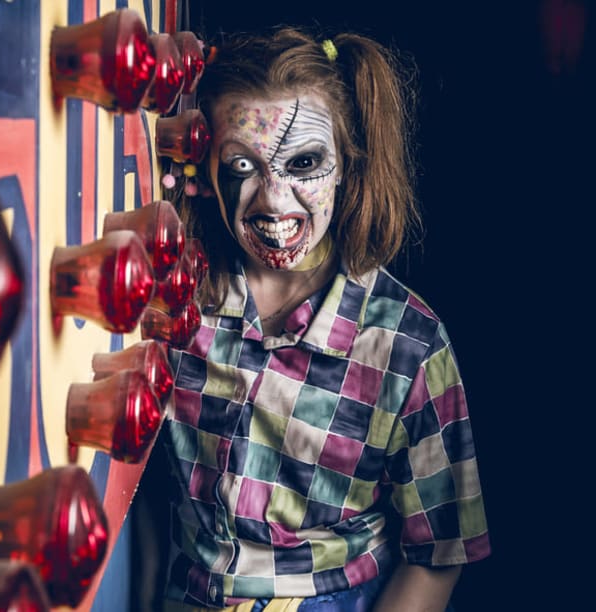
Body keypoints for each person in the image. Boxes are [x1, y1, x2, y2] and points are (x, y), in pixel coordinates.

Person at [137, 24, 491, 612]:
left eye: (304, 163)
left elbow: (438, 557)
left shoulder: (409, 346)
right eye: (242, 167)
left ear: (347, 166)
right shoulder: (175, 302)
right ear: (205, 170)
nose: (275, 200)